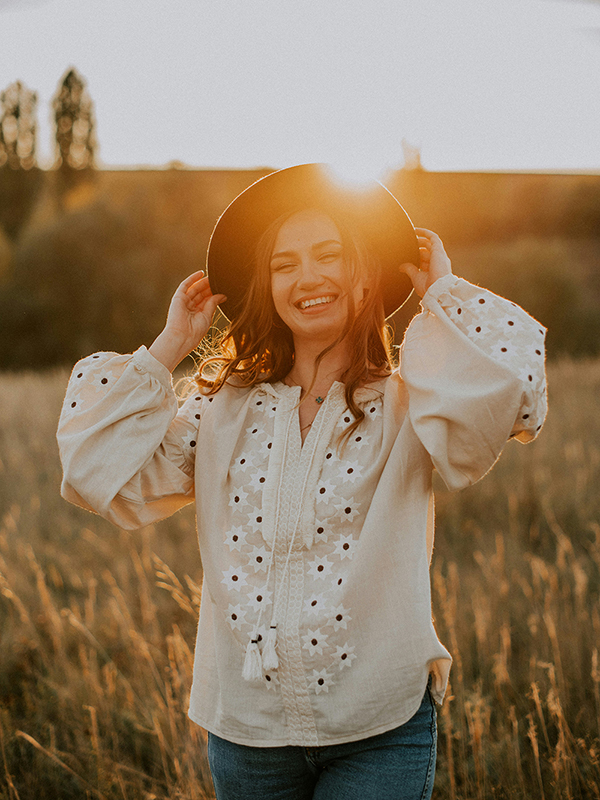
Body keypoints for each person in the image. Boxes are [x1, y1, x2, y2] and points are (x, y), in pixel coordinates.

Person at [57, 163, 547, 800]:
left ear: (364, 271)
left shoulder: (409, 404)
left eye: (330, 255)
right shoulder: (221, 409)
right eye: (284, 264)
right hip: (247, 736)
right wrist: (169, 345)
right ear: (266, 284)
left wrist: (444, 295)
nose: (308, 277)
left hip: (381, 728)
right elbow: (98, 472)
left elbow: (512, 395)